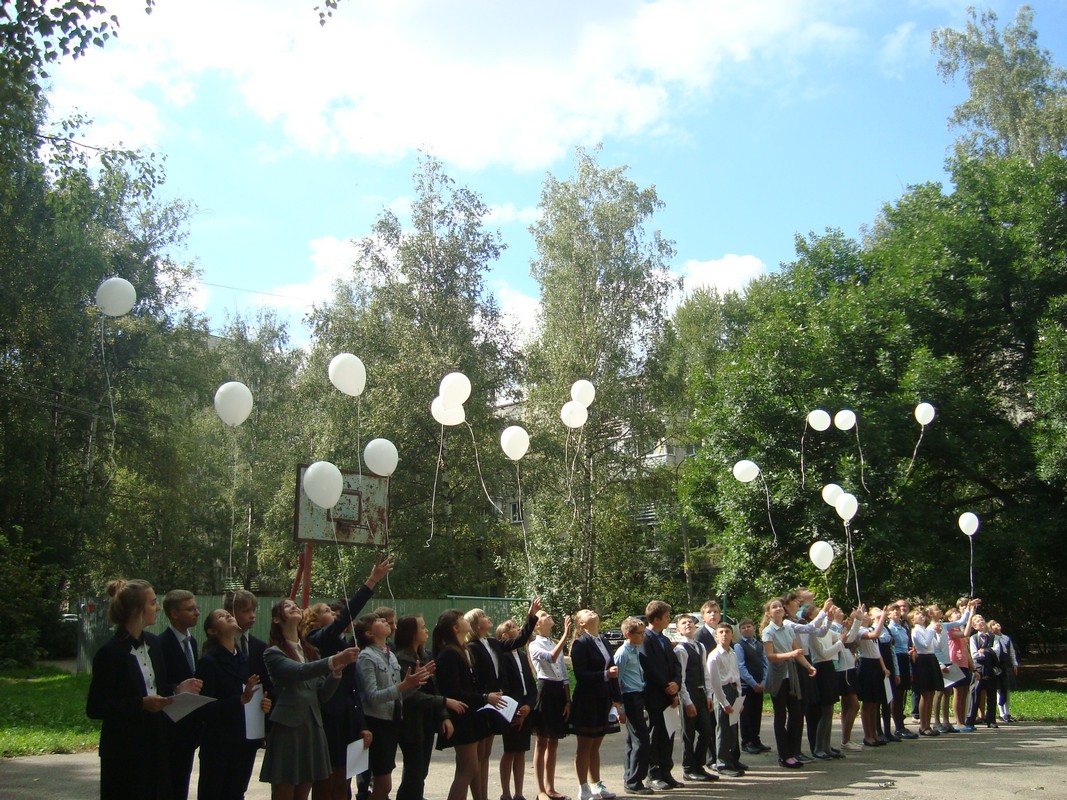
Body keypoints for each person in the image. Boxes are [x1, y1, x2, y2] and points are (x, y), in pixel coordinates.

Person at [86, 578, 202, 800]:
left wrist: (177, 689)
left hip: (156, 742)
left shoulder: (154, 644)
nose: (158, 607)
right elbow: (96, 707)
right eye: (153, 602)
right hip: (124, 749)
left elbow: (155, 687)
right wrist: (140, 704)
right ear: (136, 610)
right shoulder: (110, 653)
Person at [307, 557, 391, 800]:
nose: (333, 614)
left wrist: (361, 725)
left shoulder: (342, 642)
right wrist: (372, 580)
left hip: (347, 719)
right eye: (326, 611)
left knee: (344, 782)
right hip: (329, 718)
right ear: (312, 620)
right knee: (327, 781)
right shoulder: (319, 638)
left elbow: (353, 690)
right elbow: (345, 618)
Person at [259, 598, 360, 800]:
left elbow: (322, 693)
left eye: (296, 605)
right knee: (284, 790)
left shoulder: (310, 651)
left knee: (304, 791)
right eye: (288, 606)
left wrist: (336, 674)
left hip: (313, 725)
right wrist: (334, 661)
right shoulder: (273, 653)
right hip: (289, 726)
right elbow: (299, 672)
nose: (295, 606)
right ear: (277, 620)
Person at [466, 601, 541, 800]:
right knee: (479, 755)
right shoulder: (472, 646)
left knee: (485, 754)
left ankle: (483, 795)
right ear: (475, 624)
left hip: (497, 702)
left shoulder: (491, 642)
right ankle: (479, 796)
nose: (488, 618)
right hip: (485, 702)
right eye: (483, 616)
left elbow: (519, 640)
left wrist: (531, 617)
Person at [195, 607, 273, 800]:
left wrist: (262, 705)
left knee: (237, 792)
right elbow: (203, 708)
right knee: (214, 793)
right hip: (219, 743)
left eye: (229, 614)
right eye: (221, 616)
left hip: (244, 741)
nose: (229, 615)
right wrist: (239, 700)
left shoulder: (243, 658)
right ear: (212, 631)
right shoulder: (209, 662)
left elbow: (252, 694)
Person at [356, 612, 433, 800]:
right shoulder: (366, 657)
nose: (385, 622)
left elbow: (398, 694)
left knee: (384, 785)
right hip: (376, 723)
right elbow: (372, 697)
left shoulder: (389, 655)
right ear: (369, 634)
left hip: (391, 722)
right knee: (383, 785)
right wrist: (405, 685)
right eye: (378, 621)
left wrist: (413, 684)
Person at [433, 609, 504, 800]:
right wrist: (484, 698)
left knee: (467, 768)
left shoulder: (462, 650)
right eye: (462, 619)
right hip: (461, 716)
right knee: (469, 769)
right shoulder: (449, 653)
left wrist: (484, 697)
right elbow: (453, 691)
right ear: (455, 628)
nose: (467, 621)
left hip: (470, 715)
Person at [396, 614, 463, 800]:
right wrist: (444, 703)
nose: (426, 630)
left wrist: (443, 716)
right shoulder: (403, 659)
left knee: (420, 773)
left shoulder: (423, 655)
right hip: (410, 723)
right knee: (414, 774)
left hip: (425, 722)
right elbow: (410, 696)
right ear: (411, 632)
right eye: (422, 627)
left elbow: (433, 689)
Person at [569, 609, 623, 800]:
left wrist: (617, 700)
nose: (591, 611)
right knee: (584, 745)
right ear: (581, 623)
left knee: (596, 745)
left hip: (604, 699)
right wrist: (605, 675)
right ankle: (583, 788)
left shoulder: (603, 640)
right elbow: (581, 675)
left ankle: (596, 785)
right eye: (585, 612)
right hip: (586, 700)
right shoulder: (580, 643)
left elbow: (613, 670)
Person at [158, 589, 203, 800]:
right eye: (191, 609)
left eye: (196, 608)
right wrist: (176, 689)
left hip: (189, 724)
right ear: (174, 614)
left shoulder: (192, 642)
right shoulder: (160, 644)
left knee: (183, 779)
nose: (197, 613)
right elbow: (157, 685)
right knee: (169, 781)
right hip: (169, 725)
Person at [761, 597, 815, 769]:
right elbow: (770, 656)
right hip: (778, 676)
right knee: (780, 715)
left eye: (779, 606)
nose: (778, 609)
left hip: (790, 675)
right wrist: (789, 655)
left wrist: (808, 666)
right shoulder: (768, 631)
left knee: (797, 714)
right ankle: (784, 755)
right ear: (769, 613)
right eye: (774, 607)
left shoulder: (788, 629)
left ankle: (793, 751)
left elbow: (797, 652)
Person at [529, 608, 572, 800]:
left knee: (554, 741)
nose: (548, 616)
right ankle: (540, 790)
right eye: (543, 615)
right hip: (545, 690)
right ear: (537, 624)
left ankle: (550, 786)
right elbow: (551, 657)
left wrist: (567, 700)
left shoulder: (553, 642)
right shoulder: (533, 644)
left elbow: (563, 674)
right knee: (542, 741)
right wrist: (565, 634)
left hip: (557, 692)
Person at [640, 600, 683, 790]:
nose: (668, 620)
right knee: (655, 735)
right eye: (666, 617)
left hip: (669, 695)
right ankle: (653, 773)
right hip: (655, 695)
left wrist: (676, 683)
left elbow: (675, 664)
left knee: (668, 734)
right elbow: (649, 667)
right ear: (656, 619)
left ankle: (666, 771)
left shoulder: (664, 639)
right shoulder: (645, 639)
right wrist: (666, 685)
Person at [671, 614, 716, 783]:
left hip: (701, 694)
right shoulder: (680, 649)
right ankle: (688, 768)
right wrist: (687, 701)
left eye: (690, 622)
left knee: (706, 732)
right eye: (683, 623)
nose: (688, 624)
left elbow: (705, 672)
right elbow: (680, 678)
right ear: (678, 629)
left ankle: (699, 765)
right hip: (687, 696)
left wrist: (709, 694)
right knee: (688, 734)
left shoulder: (700, 647)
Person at [496, 619, 537, 800]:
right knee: (510, 751)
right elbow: (506, 686)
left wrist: (529, 705)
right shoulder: (503, 657)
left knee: (521, 752)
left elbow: (530, 683)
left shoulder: (521, 655)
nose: (517, 628)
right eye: (512, 628)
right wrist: (518, 709)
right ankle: (506, 792)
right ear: (504, 636)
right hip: (512, 710)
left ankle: (519, 793)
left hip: (525, 709)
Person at [613, 617, 651, 795]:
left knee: (632, 739)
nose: (643, 636)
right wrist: (620, 709)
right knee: (641, 739)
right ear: (629, 634)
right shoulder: (622, 653)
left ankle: (630, 777)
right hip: (630, 697)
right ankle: (635, 781)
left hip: (639, 694)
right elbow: (617, 682)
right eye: (640, 634)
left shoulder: (636, 650)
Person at [706, 622, 745, 777]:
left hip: (733, 690)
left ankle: (733, 759)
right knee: (722, 727)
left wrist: (739, 698)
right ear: (716, 636)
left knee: (733, 727)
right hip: (722, 692)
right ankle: (722, 762)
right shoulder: (714, 656)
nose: (724, 634)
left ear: (732, 635)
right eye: (721, 632)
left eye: (727, 632)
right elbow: (714, 683)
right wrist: (724, 703)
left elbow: (736, 676)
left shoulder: (732, 654)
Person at [807, 604, 845, 759]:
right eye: (818, 613)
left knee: (829, 710)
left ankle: (826, 746)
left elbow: (845, 637)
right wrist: (840, 643)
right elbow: (823, 654)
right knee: (825, 710)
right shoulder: (813, 634)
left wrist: (855, 622)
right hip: (821, 669)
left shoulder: (827, 631)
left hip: (828, 668)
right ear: (812, 617)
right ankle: (818, 747)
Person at [733, 617, 771, 755]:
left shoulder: (760, 645)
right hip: (746, 686)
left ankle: (756, 739)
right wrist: (753, 683)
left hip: (759, 685)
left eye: (748, 626)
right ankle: (747, 741)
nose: (746, 629)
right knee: (746, 714)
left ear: (754, 628)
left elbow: (766, 663)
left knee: (756, 713)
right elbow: (741, 667)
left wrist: (764, 681)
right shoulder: (739, 646)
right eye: (743, 628)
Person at [856, 606, 891, 748]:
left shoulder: (870, 629)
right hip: (866, 665)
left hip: (876, 665)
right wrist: (883, 616)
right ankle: (867, 735)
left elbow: (877, 652)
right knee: (868, 702)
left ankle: (874, 733)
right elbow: (875, 635)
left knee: (875, 702)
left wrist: (883, 668)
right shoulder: (860, 631)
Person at [830, 605, 862, 751]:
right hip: (842, 670)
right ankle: (845, 739)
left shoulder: (840, 626)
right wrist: (856, 621)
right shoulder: (832, 627)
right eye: (837, 609)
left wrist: (857, 620)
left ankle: (846, 738)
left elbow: (851, 638)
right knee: (854, 705)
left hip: (848, 669)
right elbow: (846, 640)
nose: (840, 610)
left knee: (847, 705)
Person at [909, 606, 944, 736]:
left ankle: (928, 724)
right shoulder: (916, 631)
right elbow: (924, 644)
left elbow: (937, 645)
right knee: (925, 693)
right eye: (918, 614)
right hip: (923, 660)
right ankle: (923, 725)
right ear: (913, 619)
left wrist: (938, 633)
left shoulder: (926, 629)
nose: (922, 616)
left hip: (931, 658)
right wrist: (931, 631)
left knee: (931, 693)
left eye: (923, 614)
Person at [887, 601, 917, 740]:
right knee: (896, 695)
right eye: (893, 610)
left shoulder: (903, 628)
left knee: (903, 694)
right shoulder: (890, 628)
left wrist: (910, 669)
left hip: (905, 659)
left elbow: (906, 648)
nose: (896, 612)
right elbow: (893, 648)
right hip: (896, 659)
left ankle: (901, 724)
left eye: (898, 610)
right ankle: (898, 726)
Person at [966, 615, 1000, 728]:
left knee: (991, 695)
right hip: (979, 669)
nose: (980, 622)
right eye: (977, 621)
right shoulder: (973, 638)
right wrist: (989, 652)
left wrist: (984, 650)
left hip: (991, 668)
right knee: (975, 693)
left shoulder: (993, 637)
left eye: (982, 620)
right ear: (974, 626)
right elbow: (975, 655)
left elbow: (997, 651)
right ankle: (971, 719)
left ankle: (991, 720)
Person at [988, 619, 1019, 722]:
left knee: (1007, 689)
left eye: (997, 623)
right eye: (993, 625)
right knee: (999, 689)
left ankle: (1008, 712)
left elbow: (1011, 652)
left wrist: (1014, 663)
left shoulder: (1006, 638)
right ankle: (1001, 713)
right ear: (990, 629)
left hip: (1007, 665)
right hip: (997, 665)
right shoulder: (992, 638)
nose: (997, 625)